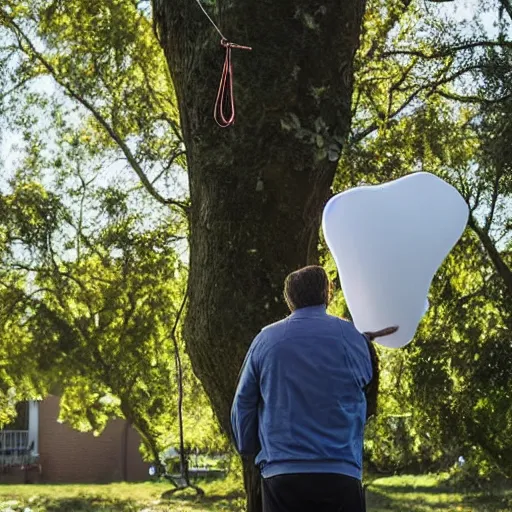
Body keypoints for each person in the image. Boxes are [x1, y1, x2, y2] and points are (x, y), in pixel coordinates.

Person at [230, 265, 397, 512]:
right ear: (326, 293)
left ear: (289, 299)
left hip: (283, 473)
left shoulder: (266, 340)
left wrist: (248, 446)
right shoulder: (353, 337)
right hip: (340, 471)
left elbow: (243, 401)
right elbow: (366, 383)